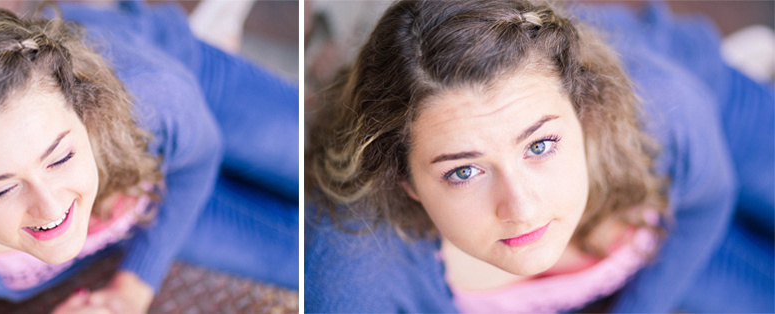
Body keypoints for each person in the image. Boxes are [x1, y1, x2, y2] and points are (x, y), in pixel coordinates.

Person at [304, 0, 773, 312]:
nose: (523, 210)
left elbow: (710, 200)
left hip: (711, 108)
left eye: (540, 145)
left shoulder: (663, 110)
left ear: (583, 110)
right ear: (404, 179)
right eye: (464, 171)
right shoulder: (356, 280)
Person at [0, 1, 298, 313]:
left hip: (185, 92)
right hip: (139, 199)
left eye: (59, 158)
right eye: (0, 188)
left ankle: (213, 32)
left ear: (84, 111)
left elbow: (199, 159)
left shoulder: (151, 97)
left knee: (309, 159)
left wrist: (134, 285)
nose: (52, 208)